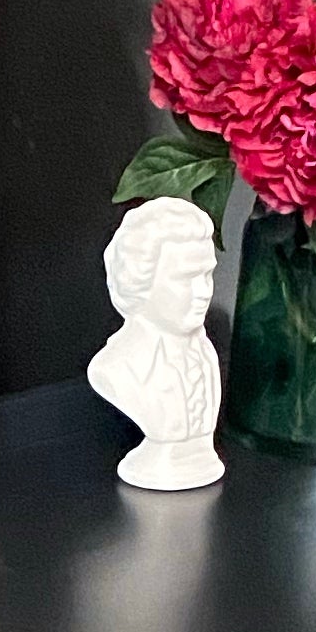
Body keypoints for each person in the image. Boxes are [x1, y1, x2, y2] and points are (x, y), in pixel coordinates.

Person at [89, 195, 225, 490]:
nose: (203, 291)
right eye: (185, 278)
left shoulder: (207, 354)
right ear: (140, 279)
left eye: (207, 275)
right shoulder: (115, 367)